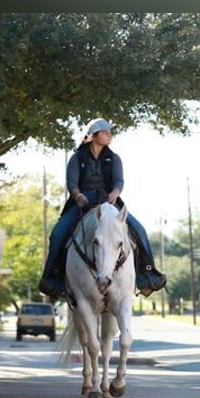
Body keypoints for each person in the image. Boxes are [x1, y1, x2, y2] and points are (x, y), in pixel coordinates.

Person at [38, 118, 167, 300]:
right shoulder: (77, 158)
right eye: (105, 132)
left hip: (109, 200)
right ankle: (52, 278)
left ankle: (148, 274)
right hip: (82, 202)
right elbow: (72, 182)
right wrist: (77, 195)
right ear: (94, 136)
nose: (109, 135)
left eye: (109, 132)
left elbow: (119, 181)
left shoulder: (114, 158)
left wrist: (115, 192)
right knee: (58, 234)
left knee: (139, 230)